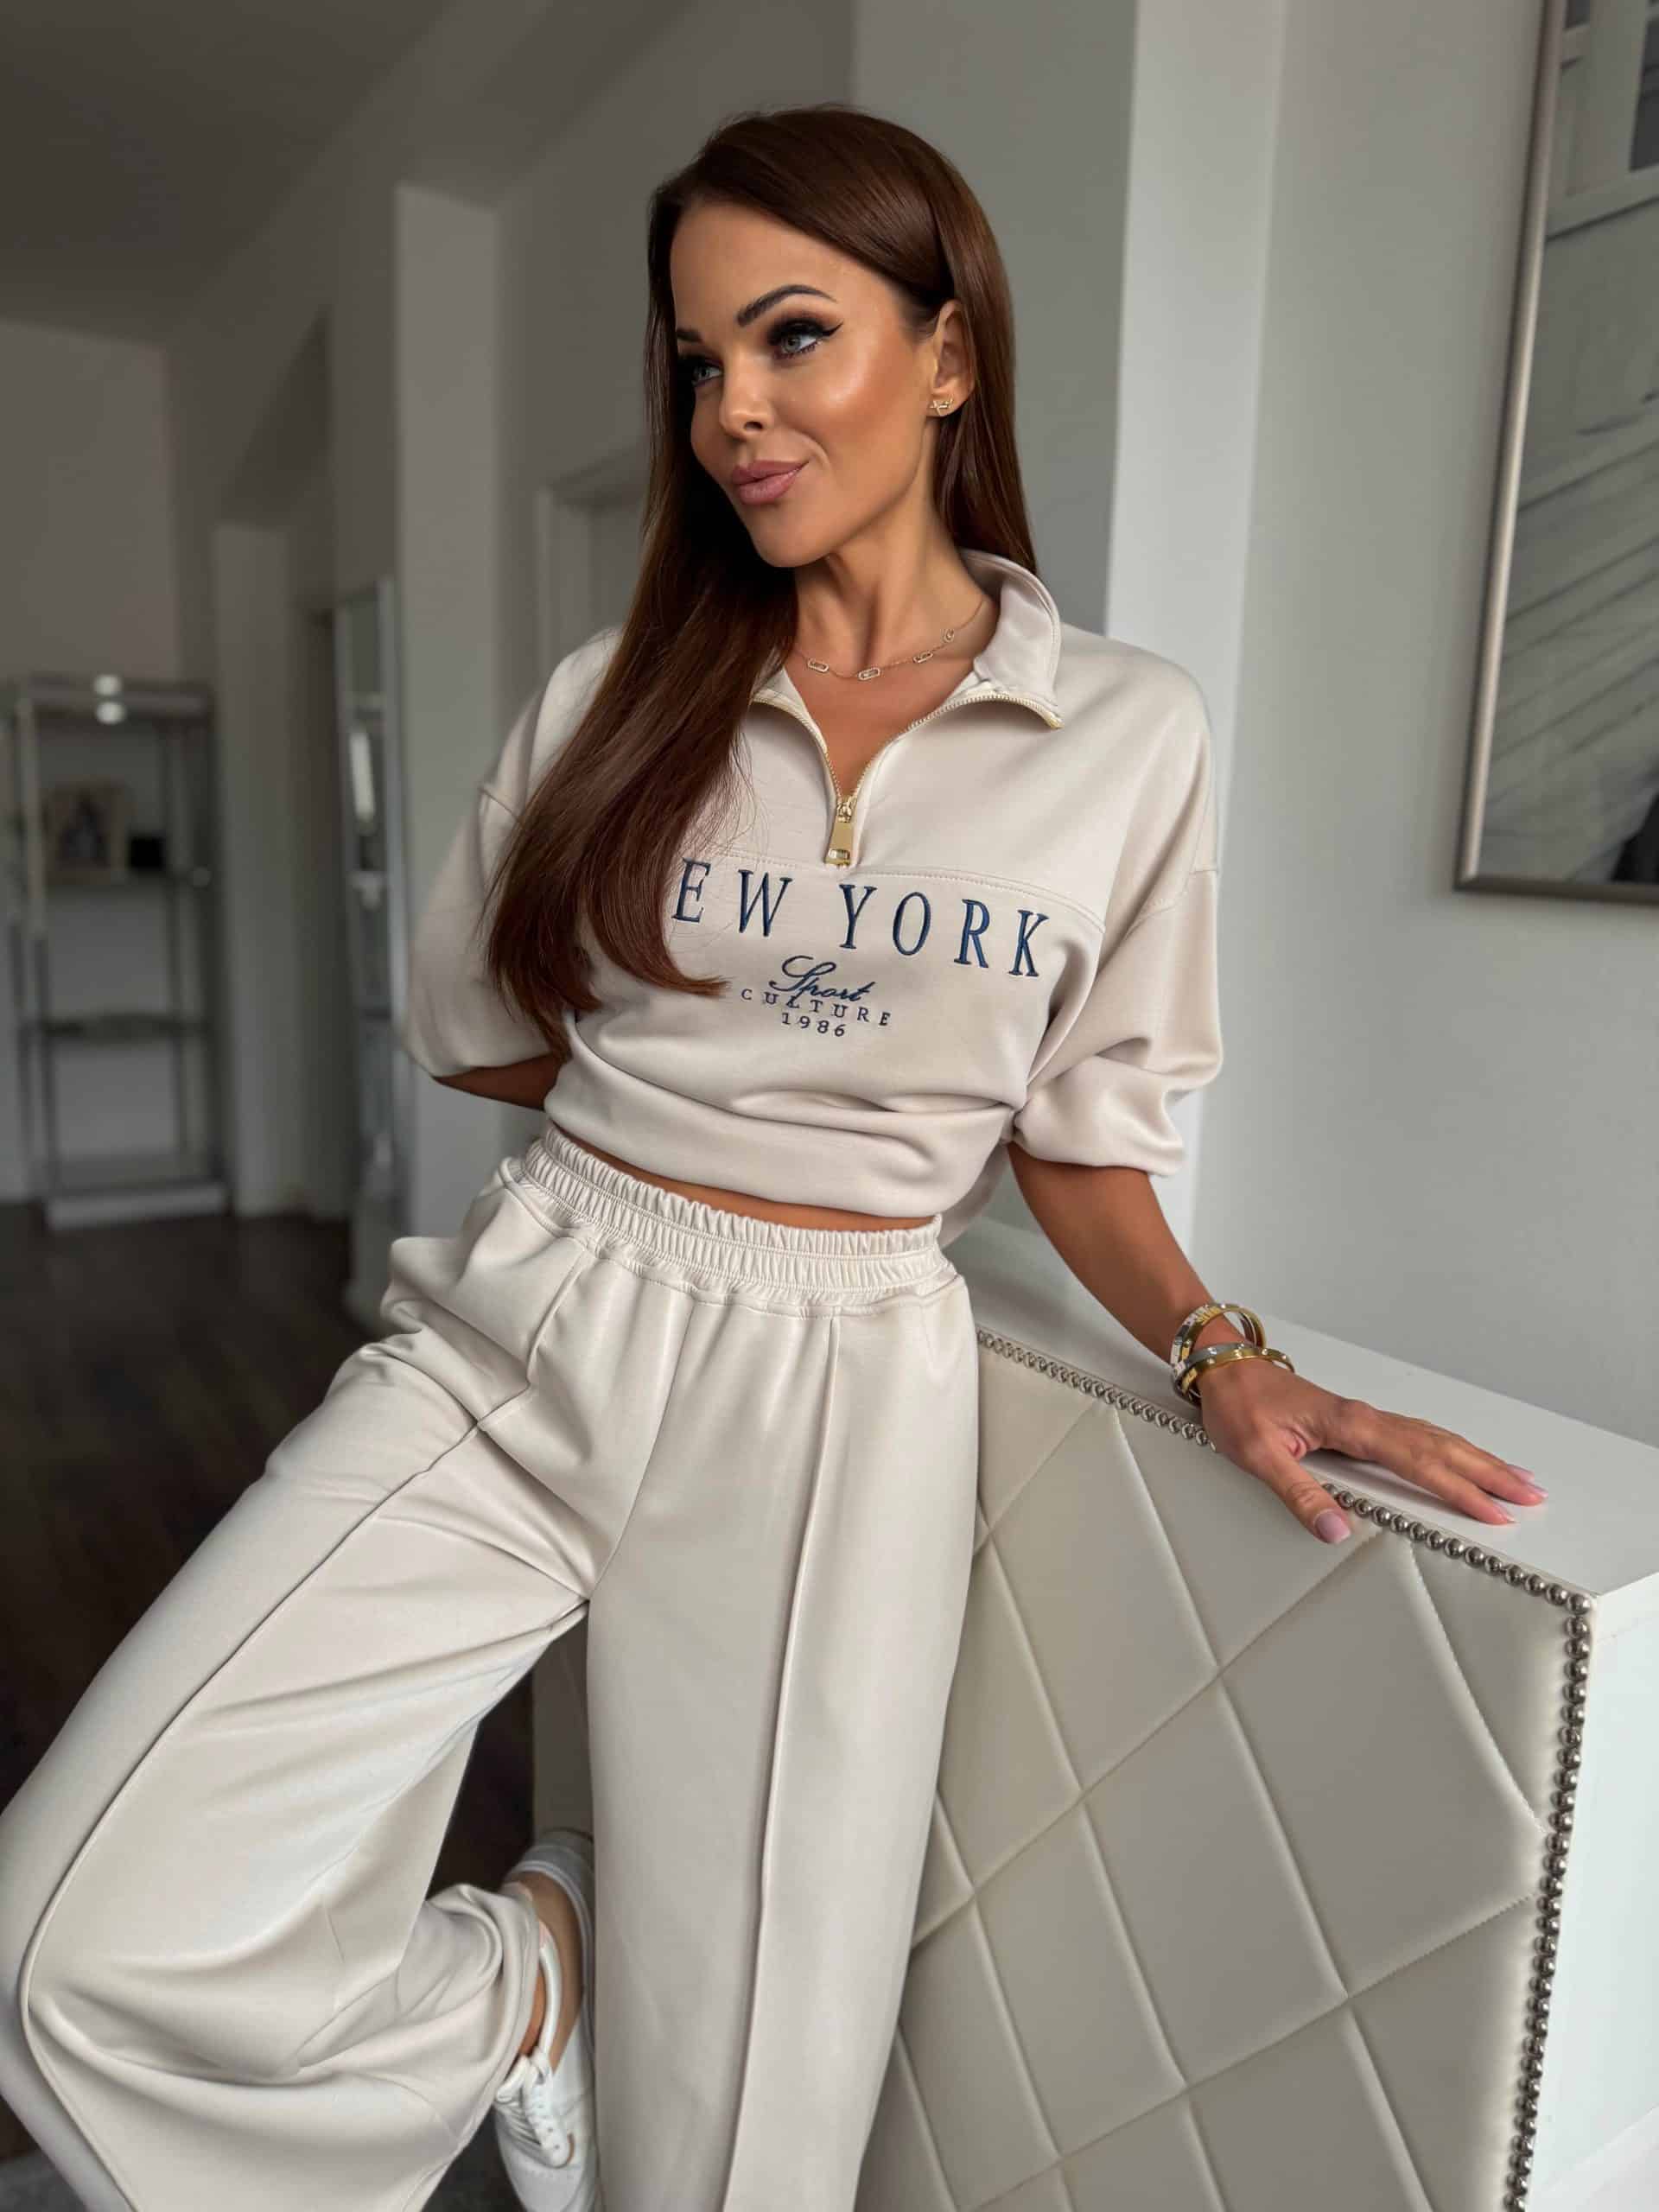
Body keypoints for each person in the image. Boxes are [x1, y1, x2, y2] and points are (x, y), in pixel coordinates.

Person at [0, 100, 1543, 2212]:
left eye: (792, 335)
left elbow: (1084, 1137)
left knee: (745, 2147)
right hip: (531, 1322)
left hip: (837, 1389)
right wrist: (688, 1123)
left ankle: (578, 2018)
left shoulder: (1129, 732)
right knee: (66, 1941)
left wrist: (1223, 1351)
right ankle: (530, 1984)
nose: (733, 406)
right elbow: (482, 1022)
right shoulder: (615, 694)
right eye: (698, 359)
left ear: (949, 351)